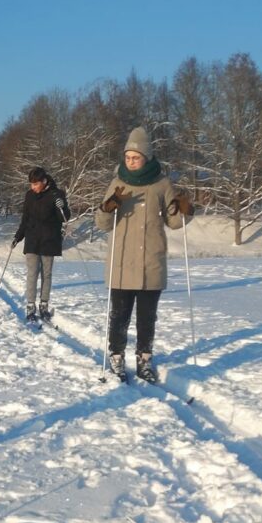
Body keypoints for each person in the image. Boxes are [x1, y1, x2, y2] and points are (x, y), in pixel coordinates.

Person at [94, 126, 194, 383]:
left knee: (147, 317)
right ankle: (116, 357)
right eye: (127, 157)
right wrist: (108, 207)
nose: (131, 161)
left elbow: (174, 223)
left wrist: (183, 209)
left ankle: (144, 359)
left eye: (135, 157)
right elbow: (103, 223)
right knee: (119, 315)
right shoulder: (117, 183)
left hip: (151, 262)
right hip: (122, 261)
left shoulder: (162, 184)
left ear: (147, 157)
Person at [12, 166, 71, 322]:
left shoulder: (56, 194)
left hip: (49, 240)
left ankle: (43, 305)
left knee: (47, 274)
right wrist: (18, 237)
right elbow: (25, 219)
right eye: (31, 184)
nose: (33, 187)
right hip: (32, 240)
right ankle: (30, 306)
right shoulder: (29, 196)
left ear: (44, 181)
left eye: (36, 184)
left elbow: (64, 218)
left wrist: (62, 206)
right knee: (32, 273)